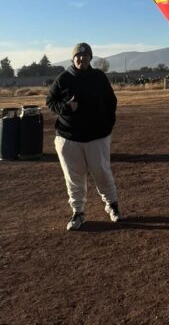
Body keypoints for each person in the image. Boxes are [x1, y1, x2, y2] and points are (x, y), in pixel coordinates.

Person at [46, 42, 120, 231]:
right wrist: (66, 108)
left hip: (97, 136)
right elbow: (50, 101)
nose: (82, 59)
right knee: (74, 177)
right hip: (68, 137)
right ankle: (78, 212)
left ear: (90, 58)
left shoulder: (99, 77)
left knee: (102, 172)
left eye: (86, 56)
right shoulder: (63, 78)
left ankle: (112, 206)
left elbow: (111, 101)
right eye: (78, 56)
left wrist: (109, 124)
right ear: (73, 58)